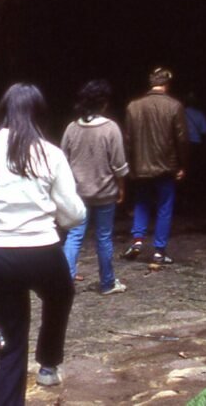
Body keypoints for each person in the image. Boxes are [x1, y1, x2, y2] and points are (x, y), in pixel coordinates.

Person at [0, 83, 86, 405]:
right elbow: (72, 212)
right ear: (40, 113)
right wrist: (64, 220)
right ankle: (49, 363)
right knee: (61, 293)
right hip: (41, 250)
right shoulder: (49, 153)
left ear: (3, 112)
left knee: (10, 338)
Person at [61, 79, 130, 295]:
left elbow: (62, 160)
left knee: (74, 236)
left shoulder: (72, 128)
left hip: (78, 193)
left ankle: (64, 282)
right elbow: (118, 163)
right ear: (104, 104)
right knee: (103, 237)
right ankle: (107, 283)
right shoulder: (110, 128)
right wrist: (121, 187)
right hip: (104, 193)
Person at [121, 67, 189, 265]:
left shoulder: (133, 106)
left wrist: (130, 164)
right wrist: (182, 165)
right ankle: (159, 251)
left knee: (141, 203)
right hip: (166, 166)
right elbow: (182, 139)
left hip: (141, 165)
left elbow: (128, 140)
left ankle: (138, 241)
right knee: (164, 207)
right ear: (167, 85)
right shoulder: (174, 106)